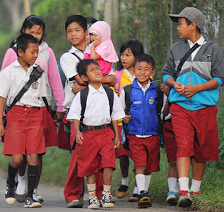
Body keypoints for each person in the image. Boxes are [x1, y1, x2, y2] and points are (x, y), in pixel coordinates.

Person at [0, 15, 64, 203]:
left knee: (37, 151)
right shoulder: (13, 54)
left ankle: (32, 192)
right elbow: (2, 86)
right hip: (17, 110)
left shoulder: (47, 53)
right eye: (31, 32)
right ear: (23, 32)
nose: (36, 36)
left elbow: (54, 80)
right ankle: (17, 179)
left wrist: (59, 106)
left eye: (39, 32)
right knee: (19, 155)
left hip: (40, 108)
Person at [162, 7, 224, 207]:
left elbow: (220, 78)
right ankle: (183, 191)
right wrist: (174, 84)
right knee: (183, 146)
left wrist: (198, 88)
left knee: (202, 148)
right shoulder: (176, 49)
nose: (178, 28)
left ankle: (195, 192)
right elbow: (166, 74)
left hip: (205, 107)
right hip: (180, 107)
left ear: (193, 25)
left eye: (181, 23)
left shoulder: (212, 50)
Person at [60, 15, 116, 208]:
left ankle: (99, 194)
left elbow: (112, 79)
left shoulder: (103, 52)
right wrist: (101, 80)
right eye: (69, 31)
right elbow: (80, 79)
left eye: (78, 30)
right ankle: (73, 194)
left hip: (100, 112)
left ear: (87, 32)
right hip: (78, 112)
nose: (74, 34)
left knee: (101, 156)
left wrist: (95, 81)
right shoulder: (68, 57)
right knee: (78, 155)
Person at [0, 34, 45, 208]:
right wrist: (1, 124)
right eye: (32, 52)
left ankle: (30, 196)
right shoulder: (8, 72)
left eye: (37, 52)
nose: (36, 55)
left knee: (33, 156)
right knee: (17, 158)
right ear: (20, 52)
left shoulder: (38, 72)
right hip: (15, 115)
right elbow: (1, 98)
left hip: (35, 114)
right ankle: (10, 182)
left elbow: (43, 98)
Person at [66, 59, 125, 209]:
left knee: (108, 164)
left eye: (97, 68)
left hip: (106, 132)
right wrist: (78, 132)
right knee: (90, 166)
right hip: (88, 134)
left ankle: (106, 194)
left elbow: (115, 116)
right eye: (92, 70)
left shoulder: (110, 93)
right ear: (84, 77)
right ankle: (92, 196)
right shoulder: (82, 95)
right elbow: (76, 116)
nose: (97, 71)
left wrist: (117, 135)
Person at [119, 54, 162, 208]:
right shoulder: (128, 90)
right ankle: (142, 192)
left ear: (153, 72)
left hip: (152, 134)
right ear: (133, 70)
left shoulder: (157, 91)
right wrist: (123, 118)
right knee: (140, 164)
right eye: (139, 69)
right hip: (134, 134)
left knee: (149, 166)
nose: (142, 72)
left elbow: (161, 111)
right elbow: (119, 110)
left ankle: (145, 191)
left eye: (146, 69)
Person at [113, 39, 145, 201]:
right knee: (123, 153)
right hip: (121, 121)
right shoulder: (117, 75)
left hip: (140, 122)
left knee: (138, 154)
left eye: (128, 55)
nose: (123, 58)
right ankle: (125, 180)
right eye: (122, 54)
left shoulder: (142, 74)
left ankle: (139, 187)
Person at [160, 83, 179, 205]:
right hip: (169, 124)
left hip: (184, 123)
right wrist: (169, 97)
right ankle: (172, 191)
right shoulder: (166, 89)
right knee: (172, 160)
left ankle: (182, 189)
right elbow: (165, 113)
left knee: (185, 158)